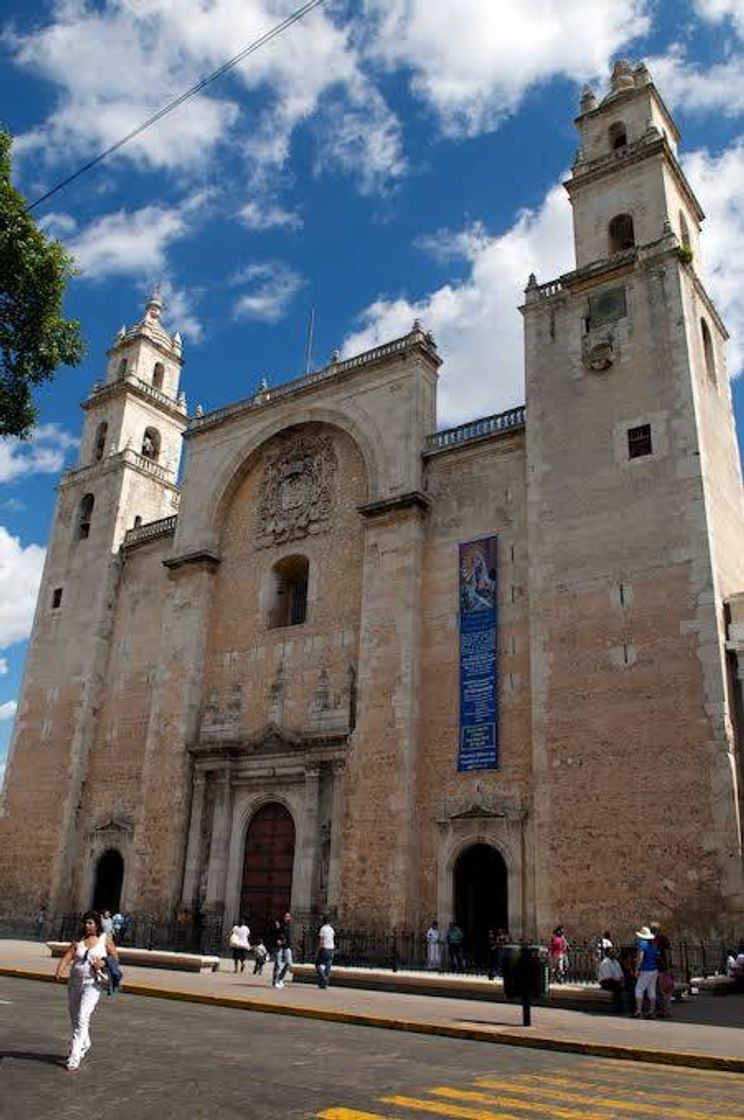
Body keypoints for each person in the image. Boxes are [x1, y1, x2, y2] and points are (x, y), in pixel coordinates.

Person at [54, 910, 118, 1071]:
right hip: (74, 983)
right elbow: (68, 956)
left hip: (92, 985)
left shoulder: (105, 940)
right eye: (86, 923)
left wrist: (103, 963)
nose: (88, 926)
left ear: (97, 925)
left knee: (83, 1017)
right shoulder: (78, 941)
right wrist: (60, 970)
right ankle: (86, 1042)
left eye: (91, 923)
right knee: (75, 1018)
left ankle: (74, 1057)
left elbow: (115, 957)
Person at [634, 924, 658, 1018]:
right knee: (651, 990)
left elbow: (640, 957)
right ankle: (652, 1011)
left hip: (645, 969)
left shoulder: (642, 944)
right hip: (654, 969)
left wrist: (637, 968)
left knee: (639, 989)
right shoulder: (653, 945)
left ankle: (639, 1010)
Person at [650, 920, 674, 1017]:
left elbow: (667, 953)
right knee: (658, 991)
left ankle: (665, 1010)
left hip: (661, 968)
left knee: (663, 990)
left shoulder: (662, 939)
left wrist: (668, 967)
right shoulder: (652, 939)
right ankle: (662, 1010)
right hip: (656, 968)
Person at [598, 947, 624, 1012]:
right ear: (607, 953)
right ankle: (618, 1008)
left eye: (614, 952)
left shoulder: (616, 962)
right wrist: (618, 981)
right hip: (606, 981)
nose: (614, 953)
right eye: (611, 952)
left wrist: (622, 981)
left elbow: (621, 974)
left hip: (615, 981)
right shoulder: (605, 962)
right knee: (617, 988)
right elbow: (608, 977)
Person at [272, 912, 293, 989]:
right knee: (278, 964)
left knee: (288, 963)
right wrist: (277, 940)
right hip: (279, 947)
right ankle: (275, 982)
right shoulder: (278, 925)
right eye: (286, 916)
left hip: (287, 947)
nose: (288, 918)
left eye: (289, 916)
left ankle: (280, 979)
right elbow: (274, 934)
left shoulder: (289, 926)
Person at [316, 915, 335, 989]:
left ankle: (324, 978)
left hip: (325, 948)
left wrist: (318, 950)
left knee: (318, 965)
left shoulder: (323, 929)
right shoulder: (331, 929)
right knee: (327, 966)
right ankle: (324, 984)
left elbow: (322, 941)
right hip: (331, 949)